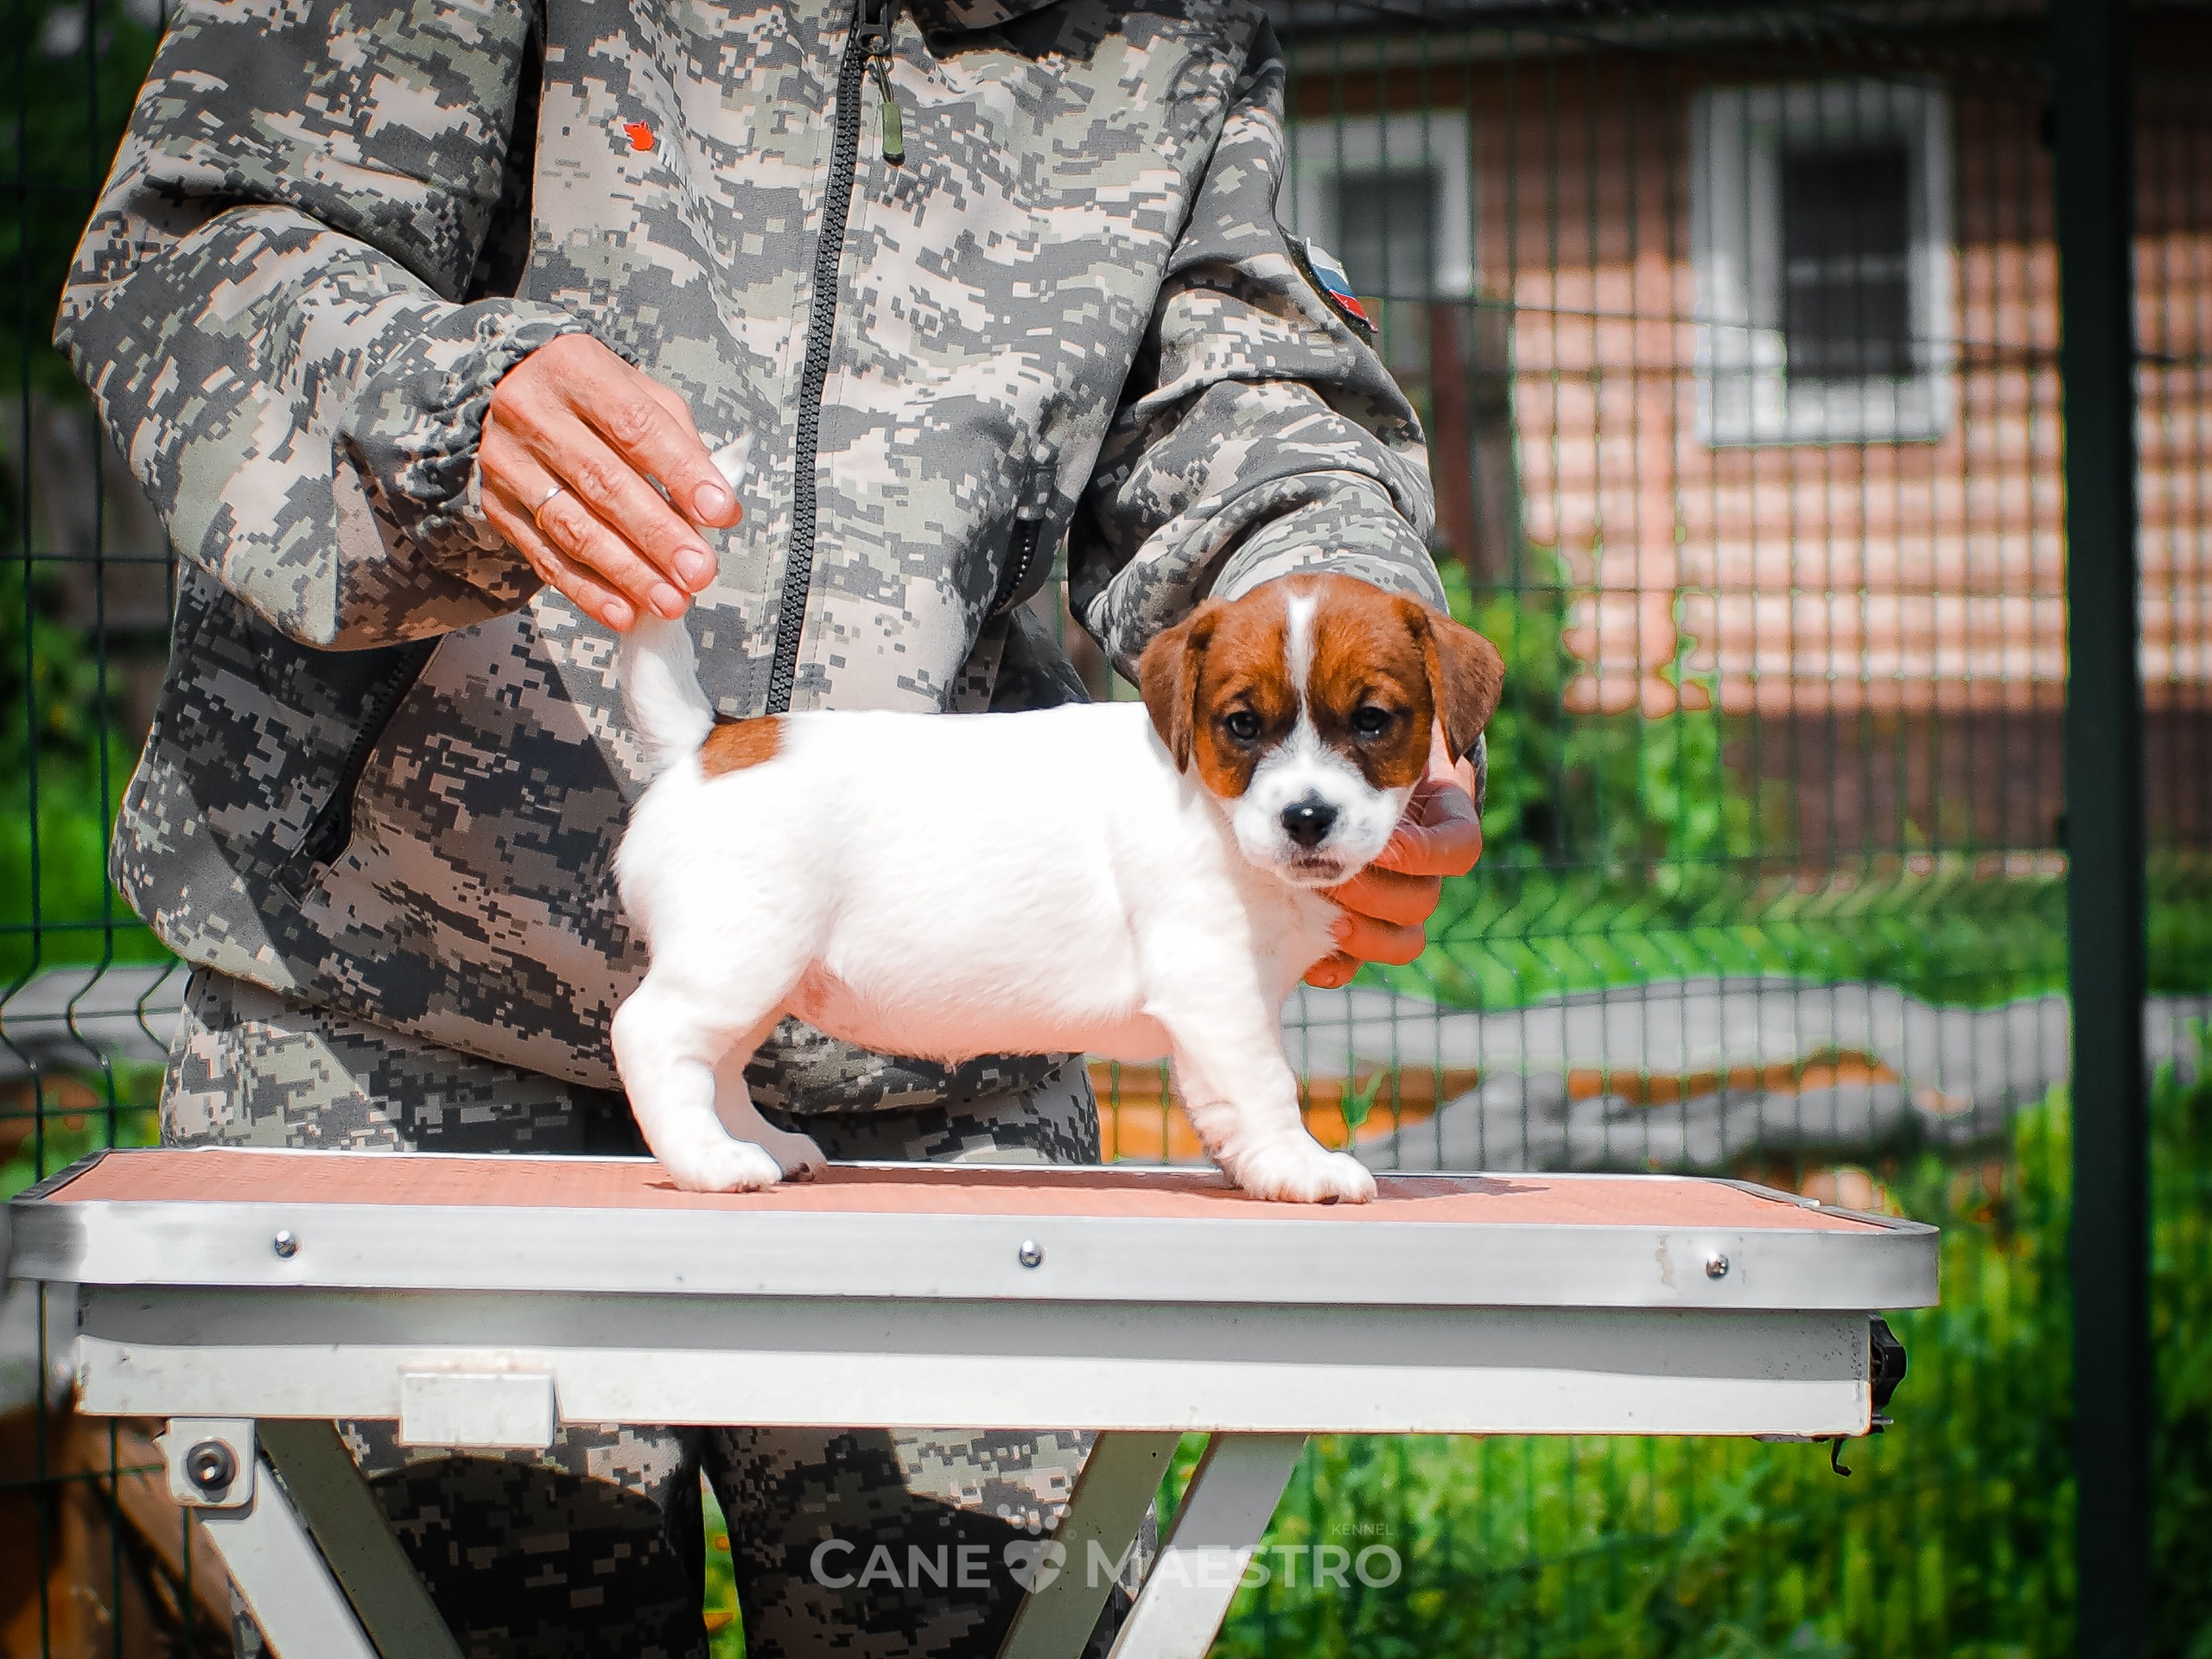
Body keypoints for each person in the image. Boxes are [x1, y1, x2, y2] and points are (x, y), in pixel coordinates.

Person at [57, 0, 1483, 1650]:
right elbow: (194, 237)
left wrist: (1347, 659)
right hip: (389, 1042)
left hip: (949, 1081)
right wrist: (450, 402)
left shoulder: (1160, 26)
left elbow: (1245, 387)